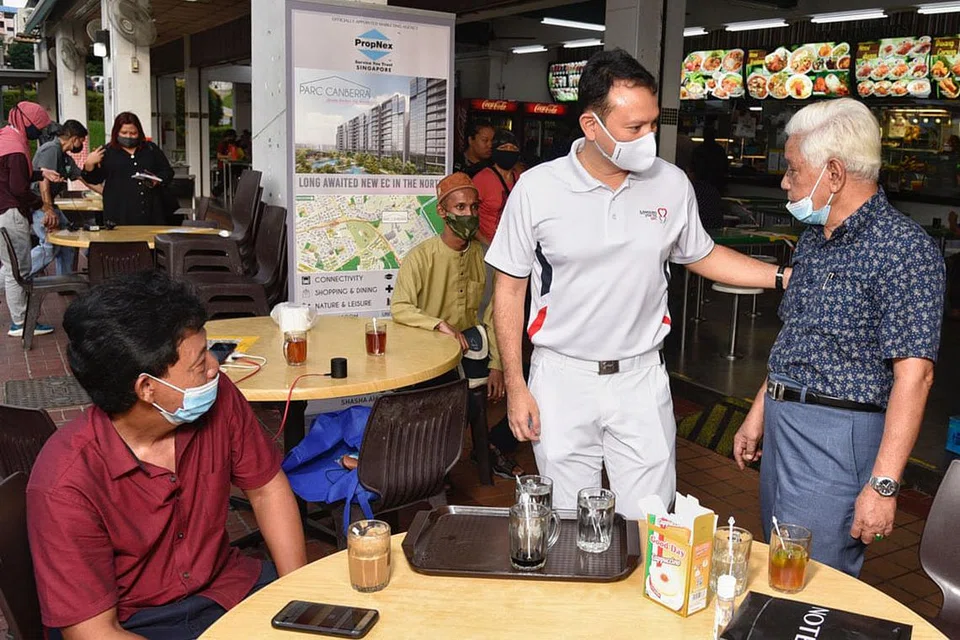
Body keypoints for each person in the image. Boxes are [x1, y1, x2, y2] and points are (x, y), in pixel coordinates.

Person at [485, 49, 786, 518]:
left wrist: (784, 276)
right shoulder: (537, 189)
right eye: (634, 128)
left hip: (641, 377)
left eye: (652, 124)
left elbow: (702, 254)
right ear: (591, 126)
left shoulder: (671, 183)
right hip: (563, 377)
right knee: (568, 519)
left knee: (651, 519)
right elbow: (510, 288)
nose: (649, 138)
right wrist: (517, 382)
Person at [27, 271, 307, 639]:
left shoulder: (219, 397)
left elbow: (267, 488)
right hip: (136, 623)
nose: (214, 366)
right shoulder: (64, 484)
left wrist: (301, 597)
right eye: (198, 363)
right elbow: (94, 632)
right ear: (147, 388)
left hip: (227, 589)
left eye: (208, 350)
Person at [732, 99, 944, 577]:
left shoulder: (904, 250)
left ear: (833, 172)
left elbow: (917, 376)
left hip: (837, 433)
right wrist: (759, 412)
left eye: (792, 169)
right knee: (779, 562)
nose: (785, 182)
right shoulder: (815, 240)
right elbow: (797, 336)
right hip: (786, 423)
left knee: (816, 581)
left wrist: (884, 484)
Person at [392, 172, 524, 478]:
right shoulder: (420, 257)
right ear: (442, 211)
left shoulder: (488, 257)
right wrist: (438, 324)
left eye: (474, 208)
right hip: (428, 353)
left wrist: (498, 365)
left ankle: (490, 446)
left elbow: (494, 314)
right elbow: (400, 307)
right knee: (439, 396)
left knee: (528, 379)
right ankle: (431, 465)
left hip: (472, 348)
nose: (469, 215)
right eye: (460, 208)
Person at [0, 101, 64, 338]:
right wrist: (43, 206)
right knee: (20, 270)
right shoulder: (17, 149)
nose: (40, 133)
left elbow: (10, 174)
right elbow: (18, 188)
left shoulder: (5, 137)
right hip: (12, 214)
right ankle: (21, 322)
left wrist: (41, 173)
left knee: (11, 268)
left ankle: (20, 319)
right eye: (39, 127)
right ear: (28, 123)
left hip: (2, 212)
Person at [82, 111, 176, 226]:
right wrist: (89, 164)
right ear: (116, 132)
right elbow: (94, 179)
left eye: (133, 133)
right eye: (124, 133)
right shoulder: (107, 152)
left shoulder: (150, 149)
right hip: (120, 213)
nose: (128, 137)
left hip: (151, 211)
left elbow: (168, 171)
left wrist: (157, 179)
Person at [30, 119, 97, 276]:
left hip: (50, 204)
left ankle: (65, 281)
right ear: (74, 139)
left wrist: (107, 193)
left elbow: (83, 178)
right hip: (40, 204)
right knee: (50, 245)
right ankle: (14, 275)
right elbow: (43, 181)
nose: (81, 144)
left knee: (69, 237)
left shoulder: (65, 157)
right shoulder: (51, 150)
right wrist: (48, 209)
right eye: (81, 140)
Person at [474, 129, 520, 245]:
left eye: (513, 149)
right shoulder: (482, 179)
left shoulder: (521, 179)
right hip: (488, 248)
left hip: (514, 247)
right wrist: (487, 245)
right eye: (504, 148)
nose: (509, 152)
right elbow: (469, 217)